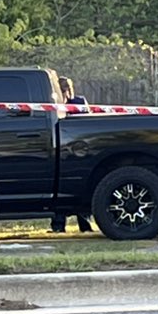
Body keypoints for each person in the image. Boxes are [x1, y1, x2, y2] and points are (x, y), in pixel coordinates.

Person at [51, 75, 93, 233]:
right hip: (61, 151)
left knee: (81, 188)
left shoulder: (78, 102)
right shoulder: (53, 105)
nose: (63, 93)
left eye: (65, 90)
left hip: (78, 149)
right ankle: (58, 225)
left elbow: (87, 122)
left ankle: (85, 223)